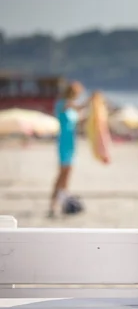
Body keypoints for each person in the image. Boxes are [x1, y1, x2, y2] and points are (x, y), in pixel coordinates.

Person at [48, 81, 88, 218]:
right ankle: (53, 204)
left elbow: (79, 114)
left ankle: (63, 202)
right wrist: (89, 101)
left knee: (67, 173)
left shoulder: (71, 107)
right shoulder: (63, 104)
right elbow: (74, 106)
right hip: (63, 142)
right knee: (62, 174)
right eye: (77, 93)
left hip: (72, 142)